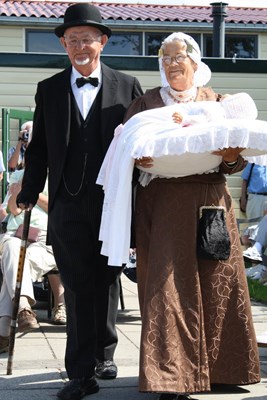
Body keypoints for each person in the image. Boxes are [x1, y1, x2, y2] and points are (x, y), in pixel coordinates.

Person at [122, 32, 260, 400]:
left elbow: (235, 162)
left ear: (196, 62)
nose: (171, 64)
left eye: (178, 57)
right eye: (164, 58)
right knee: (167, 285)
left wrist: (231, 156)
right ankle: (172, 375)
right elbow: (124, 152)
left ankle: (223, 370)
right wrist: (137, 161)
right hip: (163, 204)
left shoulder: (217, 101)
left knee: (218, 280)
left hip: (209, 202)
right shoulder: (145, 104)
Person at [16, 3, 143, 399]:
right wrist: (28, 191)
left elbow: (140, 147)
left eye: (87, 38)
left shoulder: (128, 85)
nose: (80, 46)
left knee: (105, 281)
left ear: (102, 42)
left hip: (114, 204)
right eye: (72, 40)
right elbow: (37, 152)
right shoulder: (49, 89)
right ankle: (81, 372)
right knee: (76, 285)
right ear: (64, 45)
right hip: (67, 205)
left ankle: (105, 353)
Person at [0, 168, 66, 354]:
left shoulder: (58, 173)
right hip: (16, 233)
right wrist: (20, 188)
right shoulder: (18, 176)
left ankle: (3, 333)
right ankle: (23, 308)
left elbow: (56, 206)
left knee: (13, 265)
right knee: (12, 248)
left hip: (46, 237)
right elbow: (14, 209)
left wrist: (32, 190)